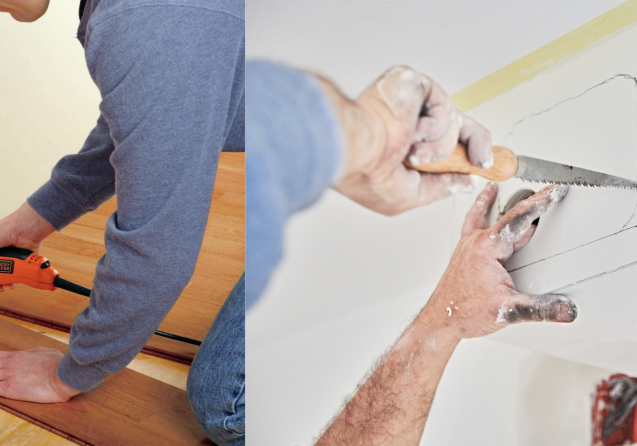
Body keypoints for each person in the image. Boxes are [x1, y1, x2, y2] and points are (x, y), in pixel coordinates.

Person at [0, 1, 245, 445]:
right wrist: (37, 219)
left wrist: (68, 375)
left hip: (369, 184)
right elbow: (139, 126)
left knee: (228, 407)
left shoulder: (150, 16)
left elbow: (158, 249)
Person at [246, 61, 577, 445]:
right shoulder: (259, 245)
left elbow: (269, 124)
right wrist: (446, 316)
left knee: (217, 405)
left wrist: (372, 135)